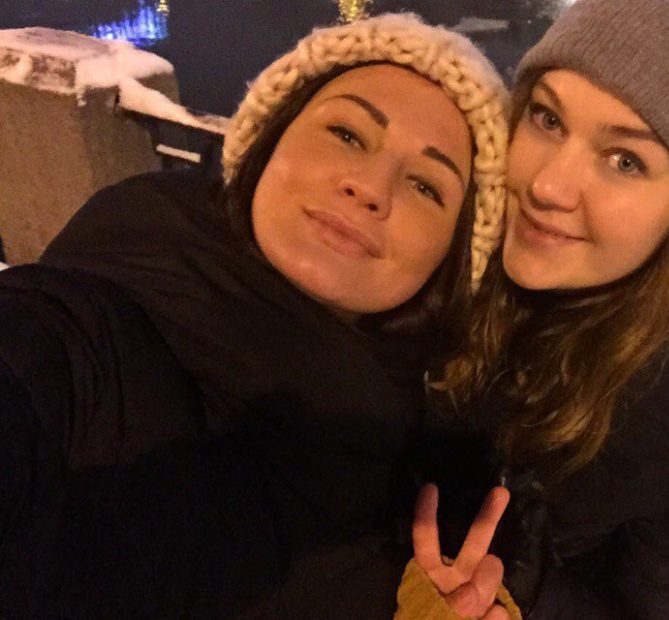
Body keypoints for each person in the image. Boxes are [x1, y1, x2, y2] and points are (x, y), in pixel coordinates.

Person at [0, 13, 513, 618]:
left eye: (427, 186)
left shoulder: (440, 448)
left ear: (452, 255)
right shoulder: (100, 325)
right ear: (270, 138)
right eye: (347, 134)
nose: (372, 187)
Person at [418, 0, 669, 618]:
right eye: (547, 118)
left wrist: (518, 595)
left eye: (625, 160)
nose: (548, 186)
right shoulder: (442, 220)